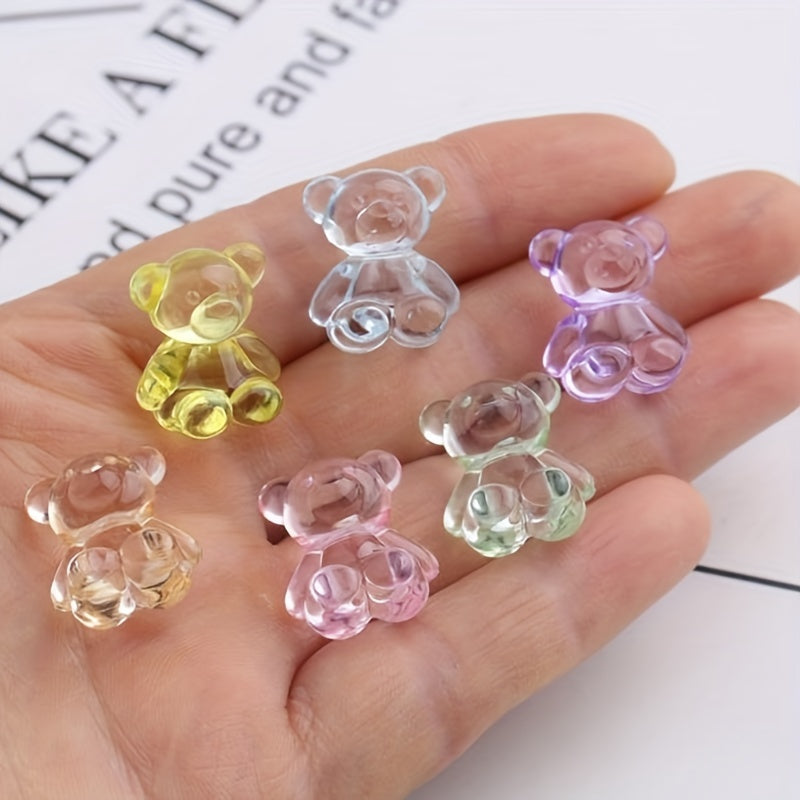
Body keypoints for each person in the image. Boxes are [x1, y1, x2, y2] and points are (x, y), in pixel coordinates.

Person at [0, 114, 797, 799]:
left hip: (493, 430)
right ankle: (249, 431)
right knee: (283, 503)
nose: (382, 217)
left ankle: (581, 397)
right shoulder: (188, 468)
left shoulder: (484, 370)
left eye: (394, 207)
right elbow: (302, 315)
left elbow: (461, 323)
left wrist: (563, 462)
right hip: (229, 475)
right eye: (192, 300)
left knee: (499, 496)